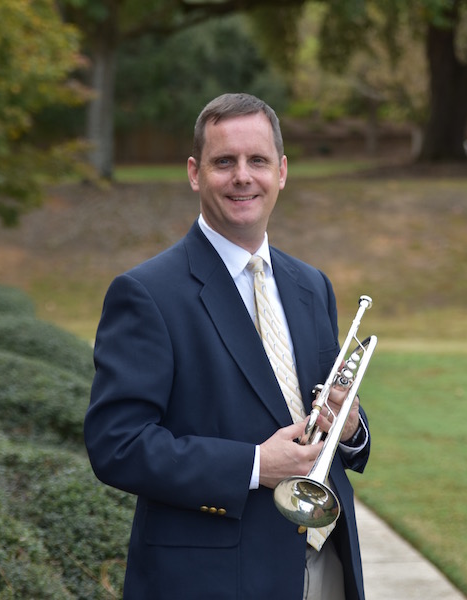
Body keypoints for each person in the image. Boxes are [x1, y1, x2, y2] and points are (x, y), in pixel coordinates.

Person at [85, 92, 371, 600]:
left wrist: (349, 426)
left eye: (257, 160)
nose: (243, 176)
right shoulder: (146, 293)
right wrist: (256, 466)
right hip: (213, 580)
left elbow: (326, 402)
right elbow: (117, 445)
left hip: (326, 566)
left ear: (281, 171)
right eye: (225, 162)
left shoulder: (311, 285)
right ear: (195, 173)